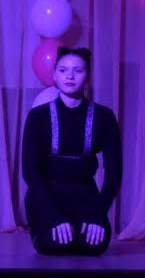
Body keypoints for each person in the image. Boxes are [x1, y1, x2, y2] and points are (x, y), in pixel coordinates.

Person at [22, 48, 121, 256]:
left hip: (85, 194)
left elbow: (114, 173)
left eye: (78, 70)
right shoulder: (38, 116)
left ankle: (78, 227)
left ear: (87, 76)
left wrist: (98, 213)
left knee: (93, 246)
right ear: (54, 76)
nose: (70, 76)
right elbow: (30, 172)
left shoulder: (104, 116)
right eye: (63, 70)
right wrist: (53, 215)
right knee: (56, 244)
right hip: (47, 195)